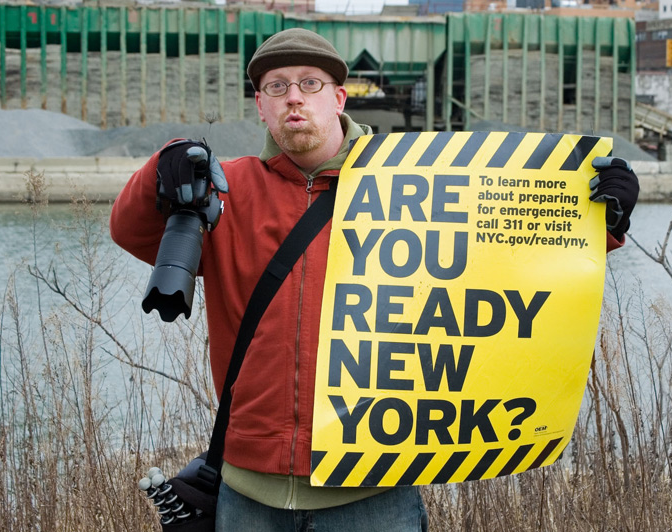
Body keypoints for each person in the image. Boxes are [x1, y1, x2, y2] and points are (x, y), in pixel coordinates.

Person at [110, 27, 639, 532]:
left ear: (339, 98)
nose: (294, 97)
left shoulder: (409, 181)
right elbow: (130, 230)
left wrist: (599, 218)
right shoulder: (225, 191)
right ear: (261, 106)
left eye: (309, 83)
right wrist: (163, 166)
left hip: (373, 492)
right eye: (277, 86)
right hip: (249, 491)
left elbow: (514, 252)